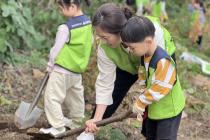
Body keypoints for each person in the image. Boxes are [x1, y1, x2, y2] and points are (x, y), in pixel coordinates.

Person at [84, 3, 176, 135]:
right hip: (128, 66)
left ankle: (152, 131)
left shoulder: (148, 33)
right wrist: (97, 118)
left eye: (105, 37)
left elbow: (158, 84)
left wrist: (141, 101)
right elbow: (105, 83)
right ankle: (90, 131)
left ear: (119, 32)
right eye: (99, 36)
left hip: (155, 63)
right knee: (114, 94)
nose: (101, 41)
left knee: (156, 100)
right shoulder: (105, 48)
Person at [120, 16, 185, 140]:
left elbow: (160, 87)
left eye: (132, 47)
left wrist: (141, 102)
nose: (130, 51)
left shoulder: (163, 61)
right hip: (155, 108)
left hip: (168, 111)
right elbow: (146, 76)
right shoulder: (145, 55)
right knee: (151, 135)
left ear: (148, 42)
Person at [39, 0, 93, 137]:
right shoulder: (88, 23)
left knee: (52, 97)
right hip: (77, 70)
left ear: (73, 6)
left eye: (61, 8)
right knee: (75, 98)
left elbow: (55, 50)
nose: (60, 11)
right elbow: (90, 43)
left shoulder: (66, 27)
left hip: (61, 70)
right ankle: (77, 122)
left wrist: (50, 65)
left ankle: (57, 127)